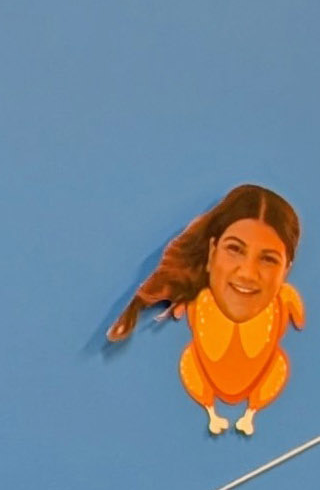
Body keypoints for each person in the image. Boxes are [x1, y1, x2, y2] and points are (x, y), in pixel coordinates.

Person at [108, 183, 304, 436]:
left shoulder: (285, 302)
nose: (247, 272)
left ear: (286, 269)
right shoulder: (194, 304)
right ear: (212, 253)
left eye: (268, 259)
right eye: (234, 249)